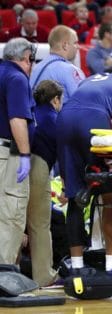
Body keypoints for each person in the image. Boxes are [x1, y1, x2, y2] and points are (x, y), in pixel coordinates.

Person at [56, 72, 112, 286]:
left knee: (74, 197)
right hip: (93, 119)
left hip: (64, 119)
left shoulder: (89, 80)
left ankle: (76, 267)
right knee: (109, 195)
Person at [0, 38, 35, 265]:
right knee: (12, 213)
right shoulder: (16, 78)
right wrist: (24, 155)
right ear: (25, 58)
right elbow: (17, 119)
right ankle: (4, 274)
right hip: (8, 154)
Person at [28, 79, 63, 286]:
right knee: (39, 224)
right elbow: (64, 155)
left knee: (13, 224)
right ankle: (44, 276)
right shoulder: (54, 119)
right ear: (55, 99)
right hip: (38, 167)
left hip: (15, 162)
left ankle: (8, 272)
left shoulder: (30, 112)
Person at [30, 25, 85, 101]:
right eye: (75, 43)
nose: (78, 47)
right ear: (65, 45)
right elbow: (84, 102)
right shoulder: (70, 70)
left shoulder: (36, 68)